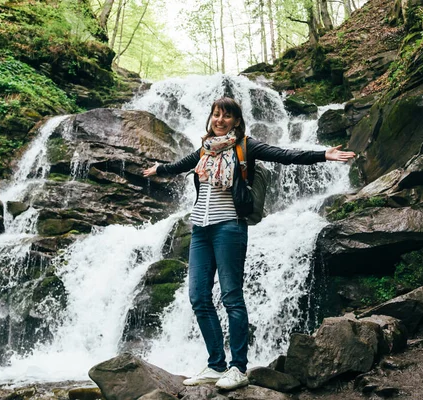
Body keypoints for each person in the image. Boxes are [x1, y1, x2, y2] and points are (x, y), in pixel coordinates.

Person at [143, 97, 355, 390]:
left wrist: (323, 155)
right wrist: (159, 170)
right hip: (200, 229)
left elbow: (284, 154)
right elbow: (180, 165)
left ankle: (238, 368)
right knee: (198, 297)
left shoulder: (246, 146)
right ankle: (216, 365)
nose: (220, 120)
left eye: (226, 116)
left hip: (229, 227)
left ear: (236, 121)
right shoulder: (205, 150)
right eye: (216, 114)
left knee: (231, 296)